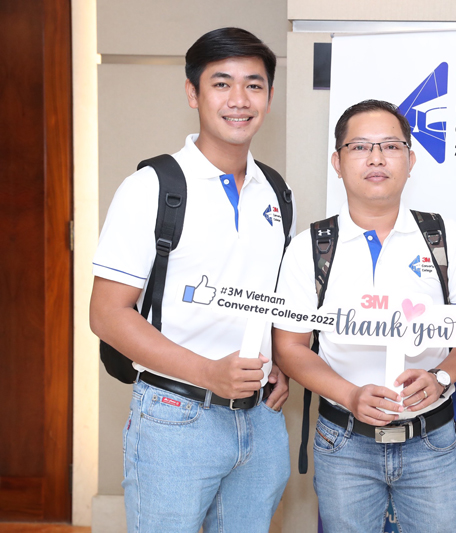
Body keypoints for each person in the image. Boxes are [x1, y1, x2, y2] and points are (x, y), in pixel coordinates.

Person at [90, 27, 293, 532]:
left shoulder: (275, 191)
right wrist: (207, 372)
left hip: (261, 420)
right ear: (192, 93)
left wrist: (280, 363)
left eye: (254, 85)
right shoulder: (152, 188)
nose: (239, 99)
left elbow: (269, 300)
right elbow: (107, 314)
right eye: (221, 84)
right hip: (174, 415)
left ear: (269, 97)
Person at [273, 99, 456, 532]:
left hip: (430, 439)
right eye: (360, 147)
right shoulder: (310, 247)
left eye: (391, 146)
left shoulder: (444, 237)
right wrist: (350, 395)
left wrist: (441, 377)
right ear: (337, 162)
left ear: (411, 161)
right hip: (343, 441)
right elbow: (289, 346)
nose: (376, 158)